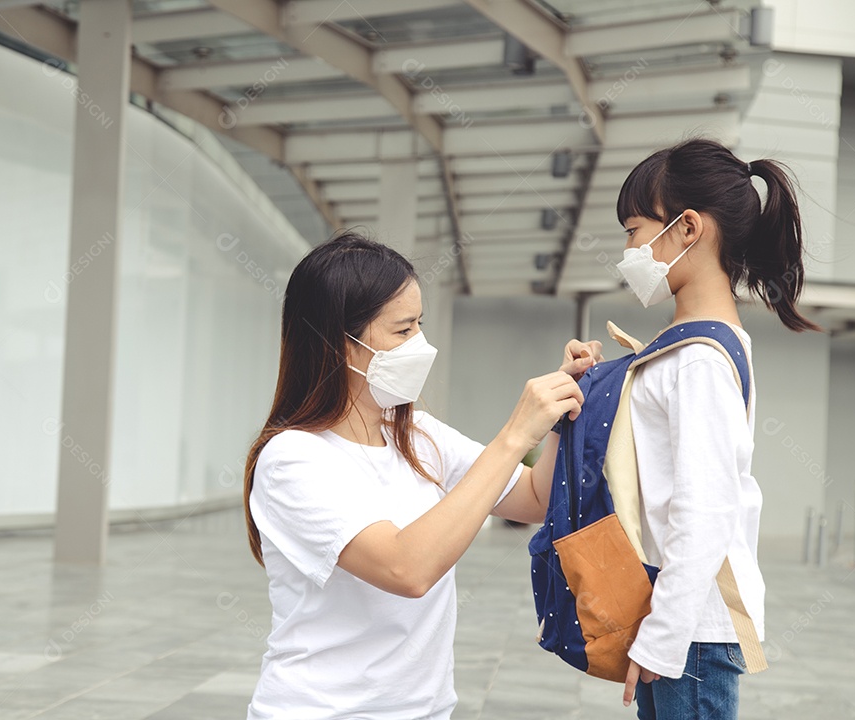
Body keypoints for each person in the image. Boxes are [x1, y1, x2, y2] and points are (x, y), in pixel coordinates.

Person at [243, 231, 598, 720]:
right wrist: (513, 436)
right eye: (402, 329)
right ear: (340, 343)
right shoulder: (291, 460)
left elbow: (534, 499)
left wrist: (558, 415)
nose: (420, 345)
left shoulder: (414, 434)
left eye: (420, 325)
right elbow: (406, 569)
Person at [614, 138, 820, 719]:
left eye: (633, 231)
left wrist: (665, 633)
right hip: (685, 623)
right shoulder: (696, 347)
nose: (628, 250)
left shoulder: (699, 360)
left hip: (693, 632)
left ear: (686, 229)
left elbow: (705, 508)